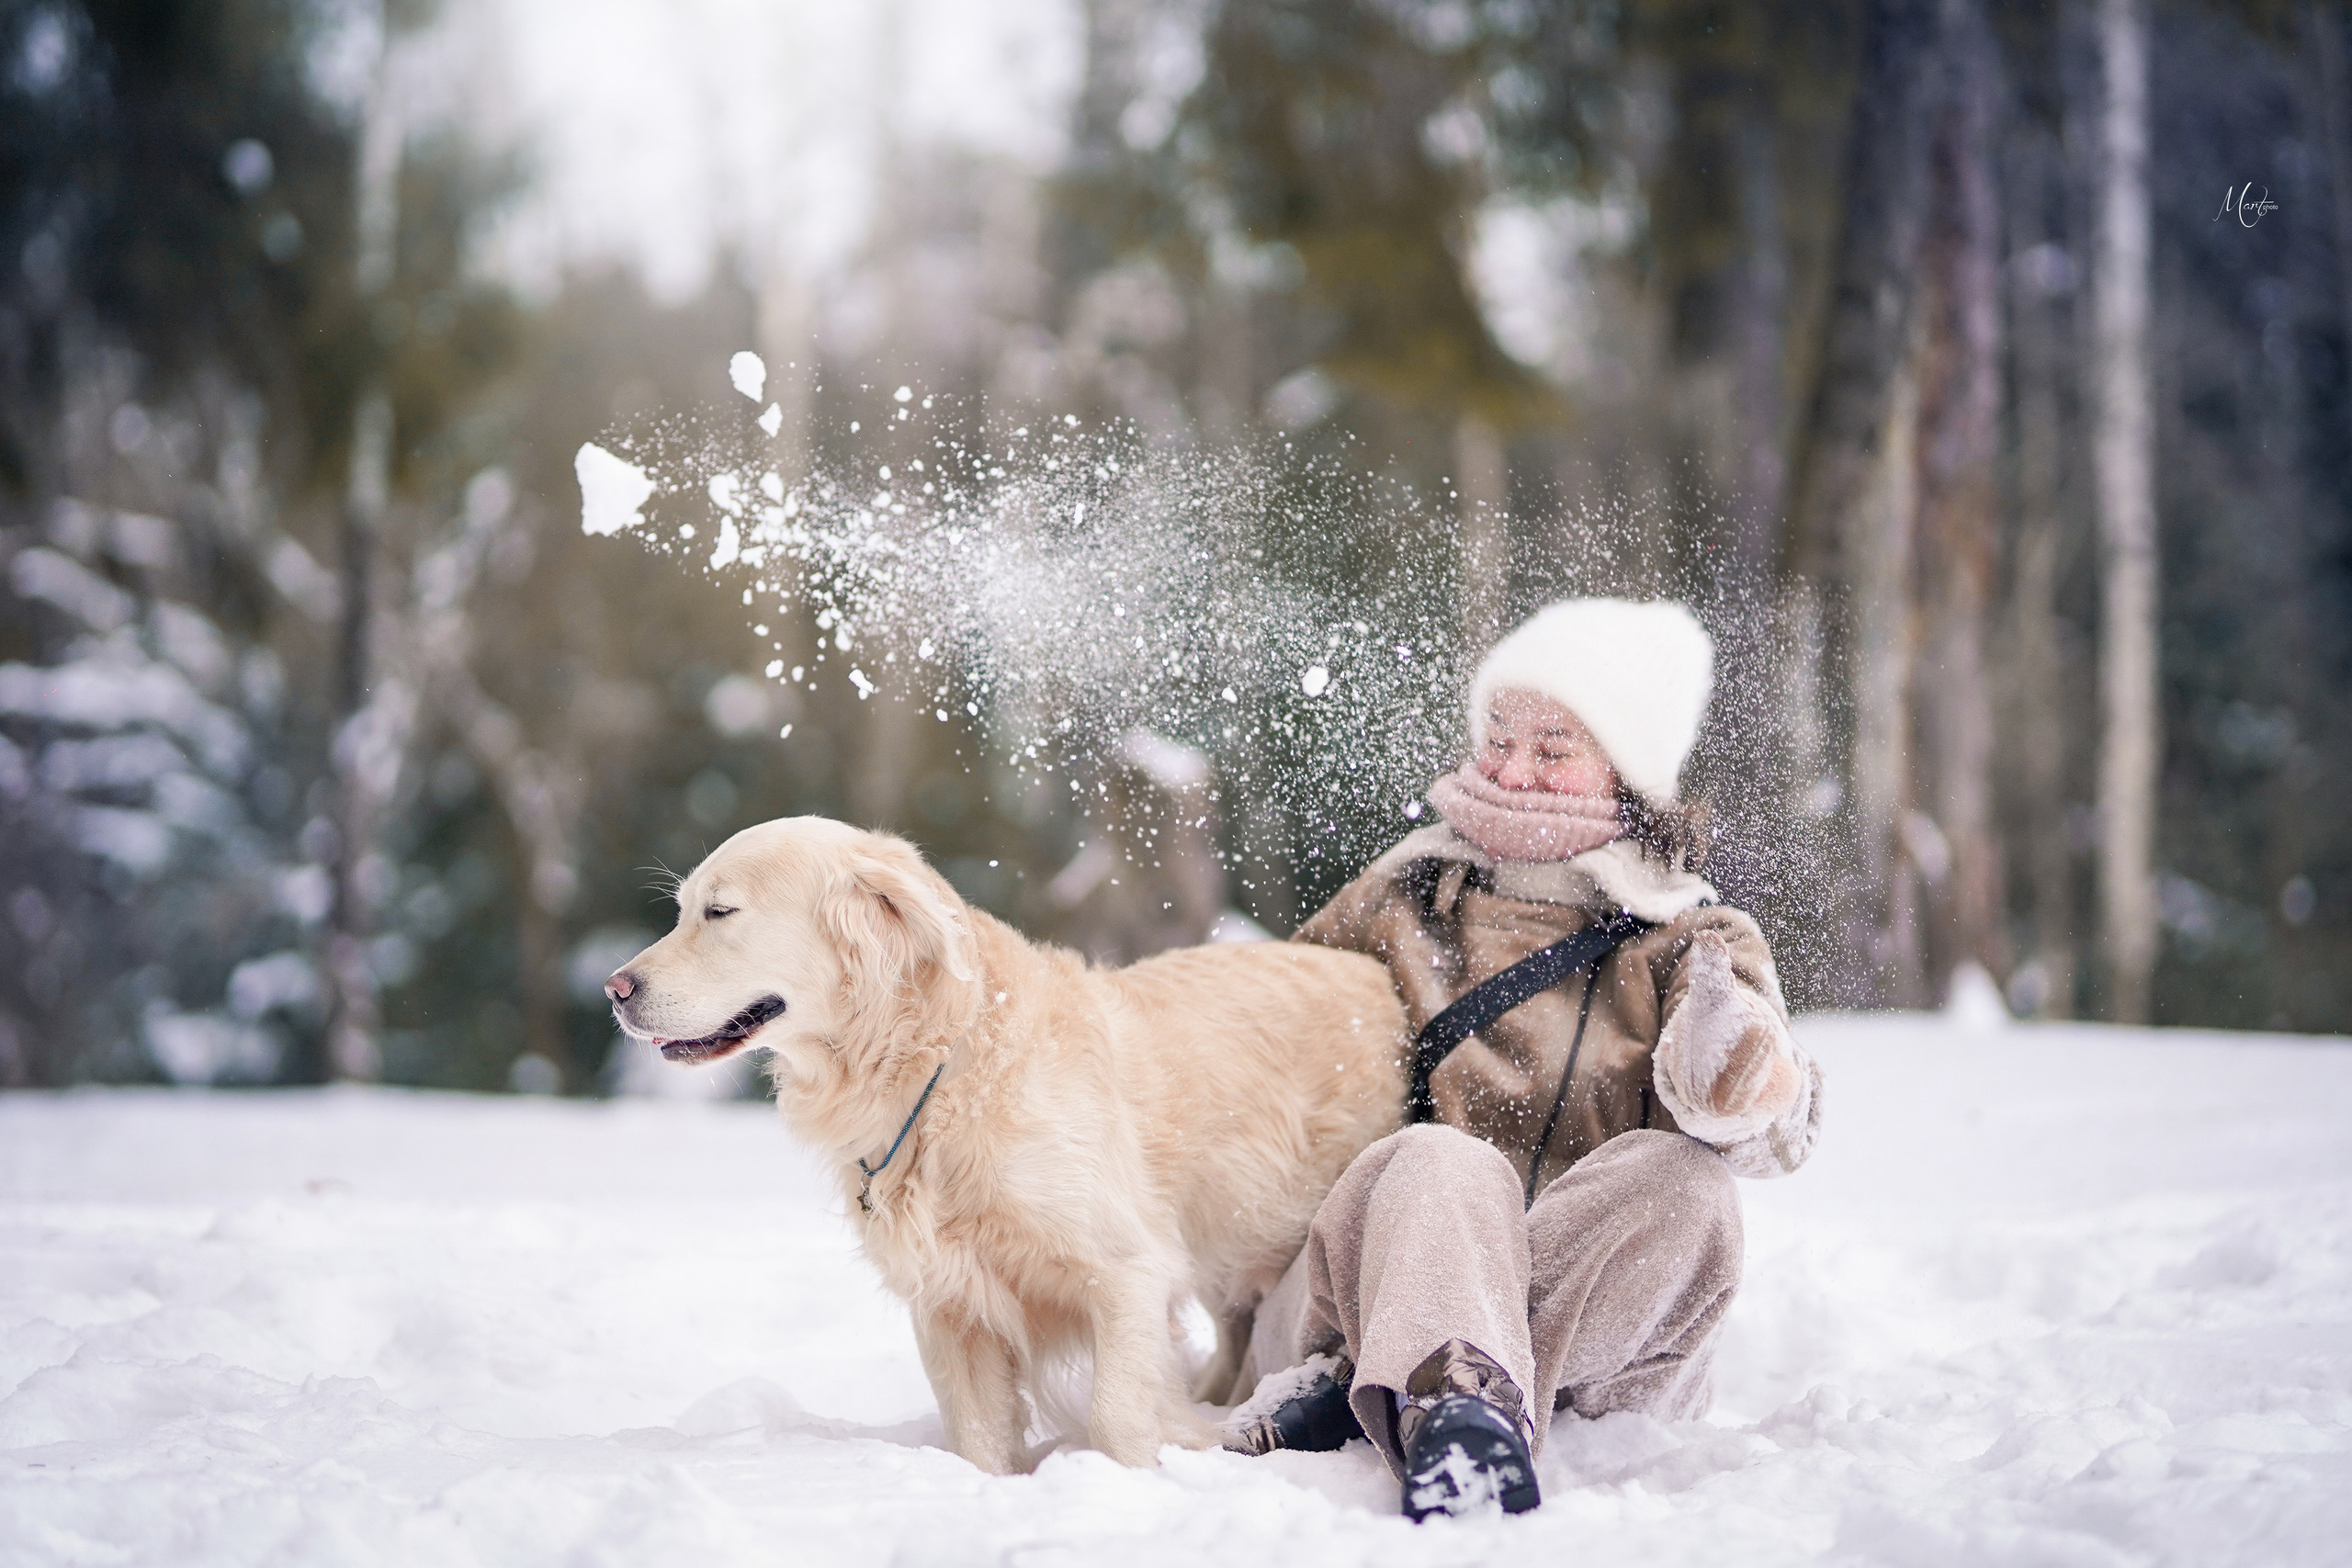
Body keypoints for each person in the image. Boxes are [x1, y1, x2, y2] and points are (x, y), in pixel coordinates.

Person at [1226, 597, 1825, 1521]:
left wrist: (1741, 1084)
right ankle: (1433, 1392)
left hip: (1594, 1337)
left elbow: (1776, 1140)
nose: (1512, 769)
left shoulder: (1693, 939)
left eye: (1552, 750)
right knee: (1440, 1161)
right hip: (1362, 1290)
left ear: (1626, 776)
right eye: (1498, 737)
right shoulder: (1399, 896)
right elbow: (1249, 1046)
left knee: (1687, 1183)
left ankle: (1436, 1394)